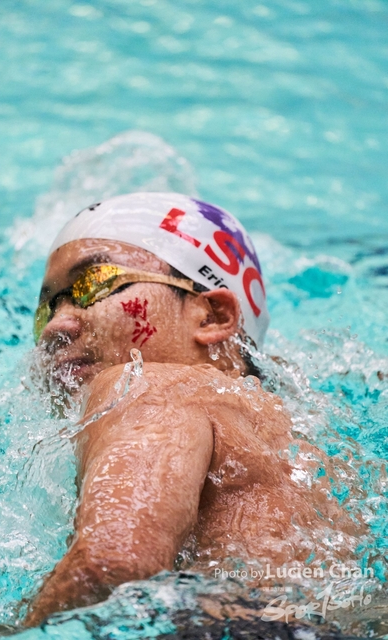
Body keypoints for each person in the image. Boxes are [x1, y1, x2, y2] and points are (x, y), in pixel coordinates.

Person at [24, 193, 360, 627]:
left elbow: (113, 565)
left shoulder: (147, 383)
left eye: (95, 284)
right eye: (49, 305)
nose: (56, 325)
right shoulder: (314, 455)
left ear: (211, 316)